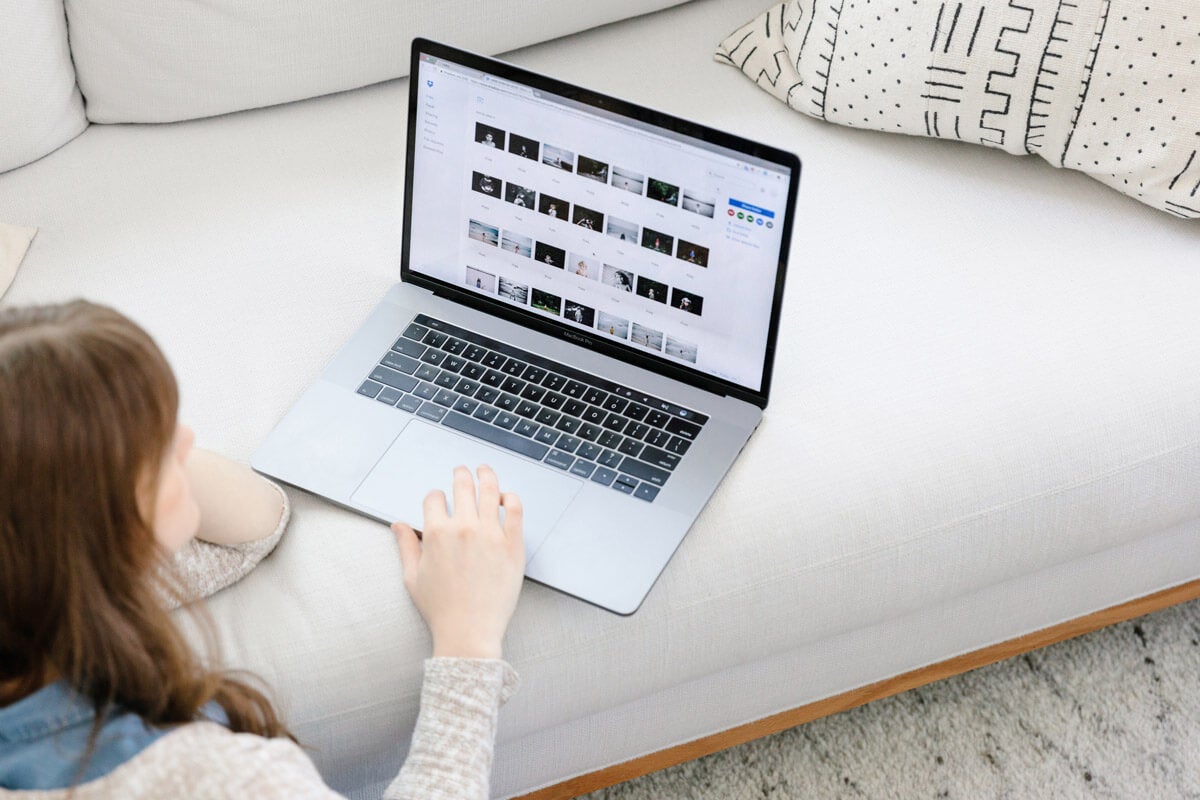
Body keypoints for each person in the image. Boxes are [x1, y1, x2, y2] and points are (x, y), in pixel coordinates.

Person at [0, 300, 526, 799]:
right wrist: (467, 642)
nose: (185, 440)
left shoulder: (33, 595)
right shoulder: (218, 779)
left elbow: (255, 524)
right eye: (156, 448)